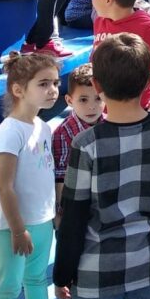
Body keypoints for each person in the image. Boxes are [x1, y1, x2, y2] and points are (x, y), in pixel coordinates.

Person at [53, 33, 150, 299]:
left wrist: (62, 272)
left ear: (97, 85)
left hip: (95, 267)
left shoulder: (85, 143)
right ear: (146, 82)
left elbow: (74, 214)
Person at [0, 52, 59, 299]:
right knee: (7, 289)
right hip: (11, 228)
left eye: (54, 83)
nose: (52, 89)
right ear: (18, 90)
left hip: (41, 221)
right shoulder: (10, 131)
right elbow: (4, 187)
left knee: (37, 279)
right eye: (43, 84)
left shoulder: (43, 127)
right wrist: (18, 230)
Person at [50, 64, 104, 210]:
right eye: (83, 100)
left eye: (98, 98)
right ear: (69, 101)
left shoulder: (110, 123)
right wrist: (65, 212)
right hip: (79, 202)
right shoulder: (62, 134)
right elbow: (61, 178)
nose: (92, 106)